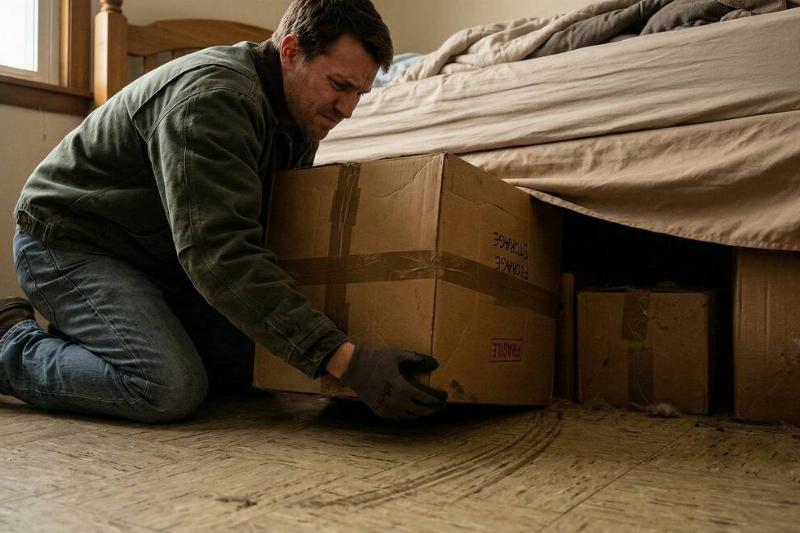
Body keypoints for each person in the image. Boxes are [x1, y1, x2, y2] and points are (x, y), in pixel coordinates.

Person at [0, 0, 447, 423]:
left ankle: (91, 337)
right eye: (339, 85)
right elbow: (217, 253)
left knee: (254, 366)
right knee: (168, 387)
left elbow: (263, 237)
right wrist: (348, 361)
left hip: (153, 256)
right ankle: (9, 342)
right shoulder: (212, 99)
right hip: (69, 242)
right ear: (290, 51)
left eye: (360, 93)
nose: (347, 109)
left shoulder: (297, 116)